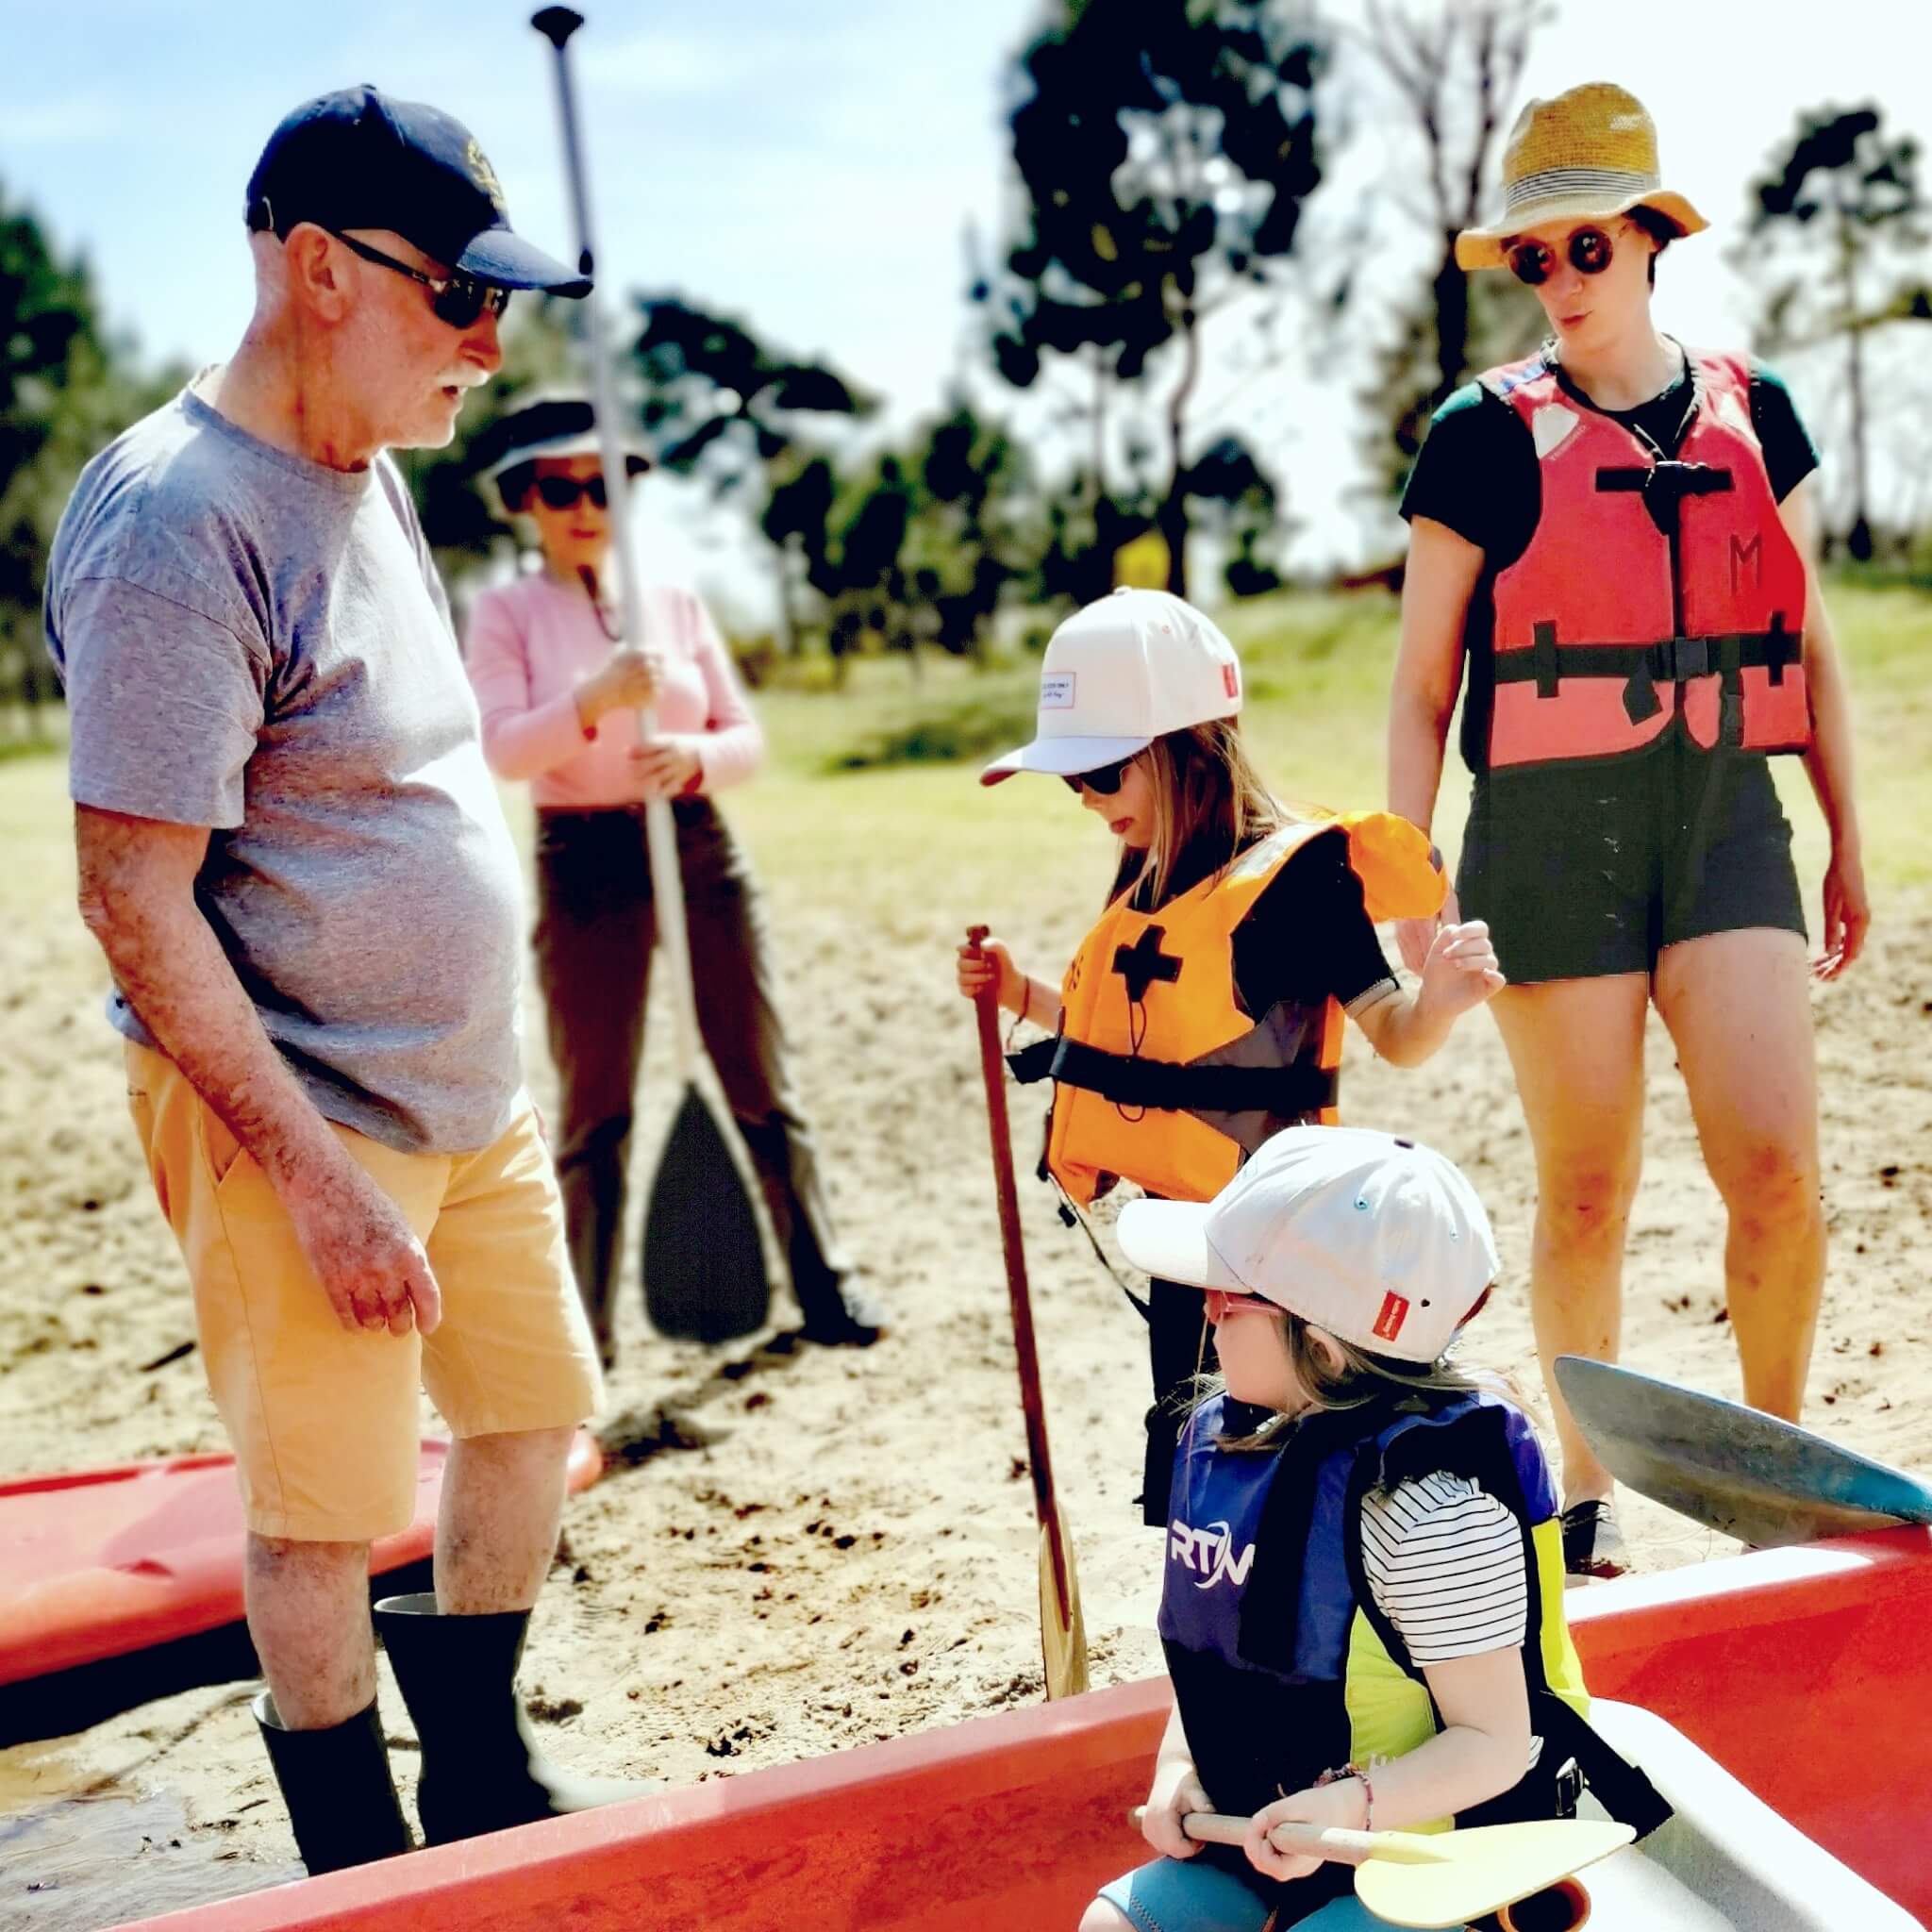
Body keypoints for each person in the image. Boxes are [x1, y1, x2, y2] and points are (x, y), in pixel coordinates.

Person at [44, 87, 652, 1874]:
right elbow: (131, 898)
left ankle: (469, 1769)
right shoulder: (171, 525)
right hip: (296, 1114)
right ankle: (355, 1852)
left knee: (532, 1418)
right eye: (458, 297)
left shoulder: (371, 470)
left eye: (504, 304)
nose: (489, 340)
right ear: (317, 269)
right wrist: (314, 1182)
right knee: (322, 1517)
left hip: (471, 1096)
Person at [1389, 82, 1869, 1578]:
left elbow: (1812, 637)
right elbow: (1418, 694)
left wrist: (1850, 830)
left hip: (1727, 817)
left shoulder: (1754, 410)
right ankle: (1583, 1499)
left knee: (1778, 1172)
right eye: (1533, 260)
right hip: (1547, 834)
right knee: (1586, 1189)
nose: (1562, 282)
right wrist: (1405, 884)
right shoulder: (1477, 437)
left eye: (1586, 247)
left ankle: (1773, 1485)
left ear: (1652, 239)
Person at [957, 589, 1504, 1524]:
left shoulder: (1299, 880)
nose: (1086, 801)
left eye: (1099, 773)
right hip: (1184, 1235)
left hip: (1279, 1243)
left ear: (1182, 748)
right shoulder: (1152, 869)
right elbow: (1137, 1053)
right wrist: (1017, 992)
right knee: (1187, 1450)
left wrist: (1442, 1000)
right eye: (1070, 782)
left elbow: (1397, 1038)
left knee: (1269, 1448)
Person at [1082, 1125, 1670, 1932]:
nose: (1206, 1314)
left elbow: (1496, 1744)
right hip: (1277, 1836)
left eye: (1226, 1298)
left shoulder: (1429, 1515)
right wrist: (1182, 1771)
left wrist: (1349, 1808)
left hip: (1434, 1864)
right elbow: (1224, 1660)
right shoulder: (1234, 1438)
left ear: (1320, 1347)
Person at [461, 391, 885, 1359]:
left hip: (696, 842)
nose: (582, 504)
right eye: (558, 488)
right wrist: (596, 698)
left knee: (758, 1075)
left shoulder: (677, 600)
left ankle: (824, 1284)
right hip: (584, 861)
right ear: (525, 499)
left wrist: (694, 758)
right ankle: (583, 1336)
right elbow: (504, 750)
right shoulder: (505, 612)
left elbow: (746, 737)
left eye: (601, 483)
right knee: (594, 1107)